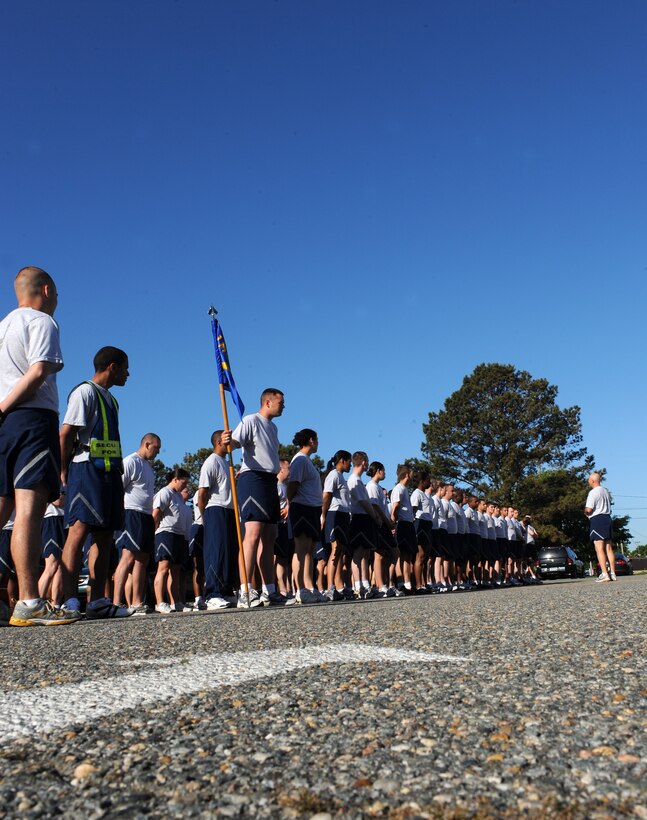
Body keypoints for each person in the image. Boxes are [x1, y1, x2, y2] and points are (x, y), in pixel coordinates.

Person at [0, 267, 76, 626]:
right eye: (57, 294)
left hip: (5, 424)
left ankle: (27, 600)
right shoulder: (41, 321)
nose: (57, 300)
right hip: (30, 418)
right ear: (46, 290)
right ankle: (29, 601)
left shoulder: (2, 326)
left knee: (2, 509)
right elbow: (37, 371)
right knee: (27, 509)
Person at [59, 346, 132, 619]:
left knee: (104, 535)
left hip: (109, 472)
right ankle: (69, 601)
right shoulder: (84, 392)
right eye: (125, 367)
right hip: (85, 468)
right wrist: (62, 470)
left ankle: (98, 601)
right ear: (112, 366)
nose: (128, 373)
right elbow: (66, 434)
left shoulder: (112, 400)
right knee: (78, 532)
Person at [221, 388, 284, 608]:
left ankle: (270, 590)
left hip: (269, 481)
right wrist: (228, 439)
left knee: (269, 536)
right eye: (280, 402)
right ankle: (246, 590)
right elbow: (235, 443)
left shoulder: (273, 428)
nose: (283, 406)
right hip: (252, 480)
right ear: (268, 402)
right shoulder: (251, 420)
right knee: (253, 535)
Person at [112, 433, 161, 613]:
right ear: (147, 445)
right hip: (131, 513)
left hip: (146, 515)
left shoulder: (148, 467)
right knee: (128, 556)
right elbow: (118, 488)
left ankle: (137, 602)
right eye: (156, 448)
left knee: (143, 559)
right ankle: (116, 602)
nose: (157, 452)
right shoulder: (130, 462)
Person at [198, 430, 240, 609]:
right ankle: (212, 593)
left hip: (230, 510)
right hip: (215, 509)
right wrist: (204, 514)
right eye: (227, 440)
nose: (230, 443)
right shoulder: (211, 462)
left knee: (230, 551)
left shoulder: (226, 463)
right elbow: (203, 492)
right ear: (218, 442)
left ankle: (226, 591)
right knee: (217, 551)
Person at [287, 429, 325, 604]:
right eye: (317, 439)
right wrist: (290, 504)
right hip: (301, 507)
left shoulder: (307, 460)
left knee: (310, 549)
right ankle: (300, 589)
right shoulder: (300, 460)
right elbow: (293, 485)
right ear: (311, 440)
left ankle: (310, 587)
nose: (318, 442)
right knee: (301, 549)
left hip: (312, 508)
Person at [153, 468, 190, 612]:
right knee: (163, 568)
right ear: (175, 479)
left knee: (175, 570)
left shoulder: (178, 497)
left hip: (179, 535)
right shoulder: (165, 492)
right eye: (183, 482)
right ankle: (160, 602)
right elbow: (155, 514)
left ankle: (176, 602)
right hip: (165, 533)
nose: (185, 485)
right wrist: (153, 534)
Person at [321, 450, 352, 601]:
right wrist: (323, 515)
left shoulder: (341, 477)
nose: (350, 465)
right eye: (349, 462)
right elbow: (326, 496)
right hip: (335, 514)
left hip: (343, 515)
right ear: (341, 460)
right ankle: (329, 588)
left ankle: (339, 586)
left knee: (340, 551)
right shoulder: (333, 475)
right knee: (334, 550)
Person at [585, 472, 616, 582]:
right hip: (607, 518)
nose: (588, 481)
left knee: (599, 547)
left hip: (597, 519)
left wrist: (586, 512)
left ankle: (604, 574)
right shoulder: (605, 491)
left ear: (593, 481)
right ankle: (612, 573)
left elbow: (589, 509)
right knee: (608, 547)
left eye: (589, 479)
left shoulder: (593, 492)